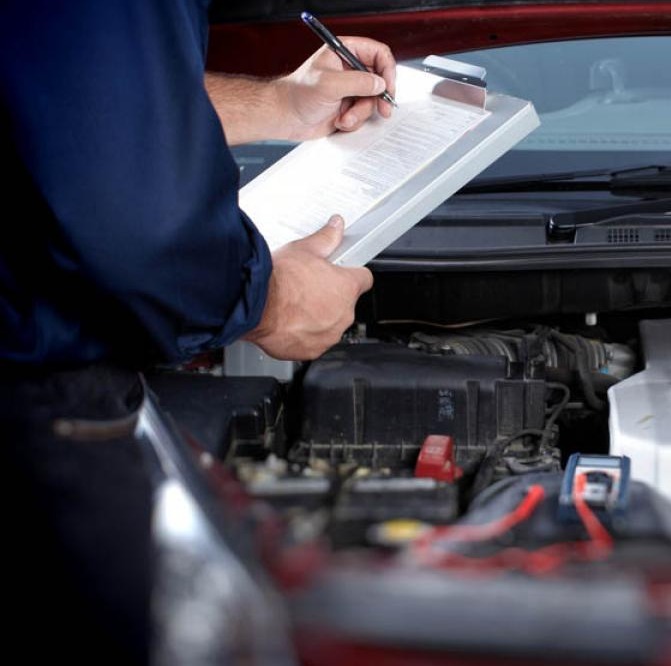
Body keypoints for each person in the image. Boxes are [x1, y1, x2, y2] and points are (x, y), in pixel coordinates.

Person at [0, 2, 396, 662]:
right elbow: (135, 230)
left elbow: (65, 103)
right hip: (33, 416)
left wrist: (284, 103)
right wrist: (273, 298)